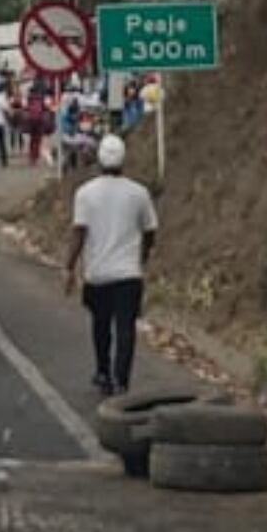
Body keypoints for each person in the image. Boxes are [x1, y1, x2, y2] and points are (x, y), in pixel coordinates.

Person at [63, 133, 158, 395]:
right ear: (124, 160)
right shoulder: (139, 193)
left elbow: (78, 233)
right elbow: (150, 231)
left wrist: (69, 268)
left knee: (101, 324)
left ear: (99, 160)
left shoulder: (85, 194)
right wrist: (143, 256)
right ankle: (122, 380)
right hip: (129, 273)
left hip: (98, 273)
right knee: (126, 327)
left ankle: (103, 371)